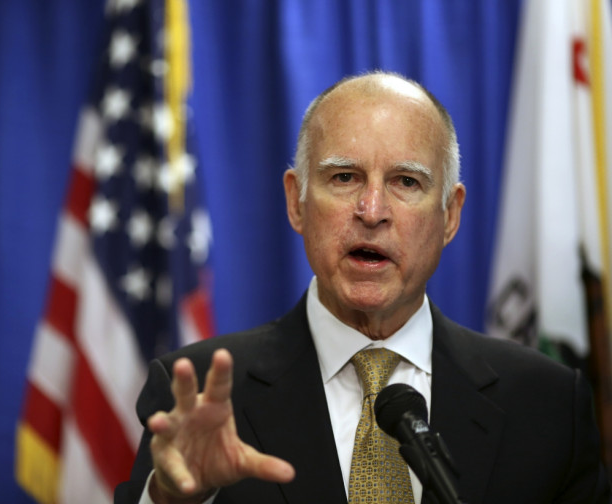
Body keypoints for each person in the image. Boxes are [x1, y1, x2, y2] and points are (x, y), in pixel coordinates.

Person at [115, 71, 611, 503]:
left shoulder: (546, 404)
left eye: (406, 183)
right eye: (345, 177)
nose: (372, 211)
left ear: (450, 216)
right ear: (296, 202)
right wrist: (171, 501)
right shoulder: (196, 397)